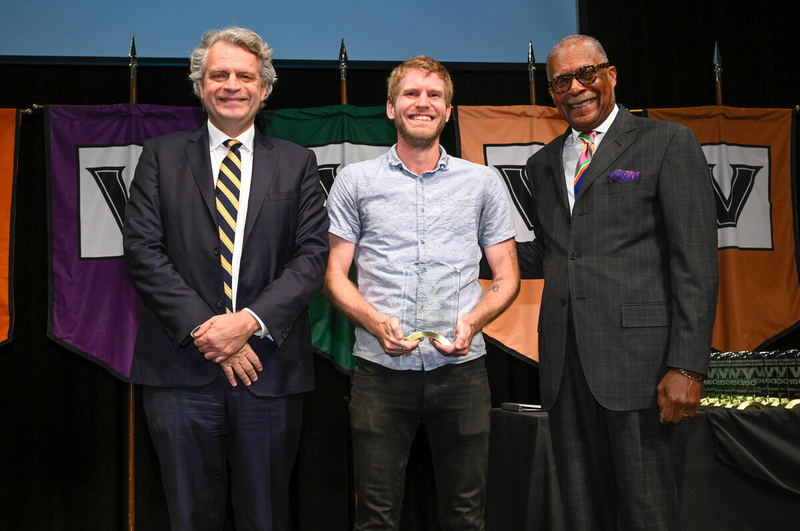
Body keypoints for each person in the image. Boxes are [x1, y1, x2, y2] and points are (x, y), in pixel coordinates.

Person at [123, 27, 329, 530]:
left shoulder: (298, 163)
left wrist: (248, 323)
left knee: (266, 518)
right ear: (199, 85)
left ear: (265, 88)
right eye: (219, 75)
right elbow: (142, 253)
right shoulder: (160, 156)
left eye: (245, 76)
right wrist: (209, 329)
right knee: (190, 517)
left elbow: (311, 258)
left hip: (270, 372)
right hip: (179, 373)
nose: (232, 85)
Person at [517, 34, 718, 530]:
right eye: (561, 81)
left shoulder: (667, 142)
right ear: (551, 92)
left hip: (643, 370)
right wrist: (460, 251)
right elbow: (554, 252)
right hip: (565, 371)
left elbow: (695, 261)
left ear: (611, 75)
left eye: (587, 74)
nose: (576, 89)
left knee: (648, 512)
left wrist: (687, 367)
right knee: (584, 513)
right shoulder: (542, 165)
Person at [323, 56, 520, 531]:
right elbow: (333, 275)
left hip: (462, 370)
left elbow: (507, 275)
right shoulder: (355, 181)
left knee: (466, 514)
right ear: (390, 108)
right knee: (375, 517)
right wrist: (376, 324)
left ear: (448, 111)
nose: (422, 103)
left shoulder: (482, 183)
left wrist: (471, 324)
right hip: (379, 371)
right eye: (411, 94)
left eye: (434, 95)